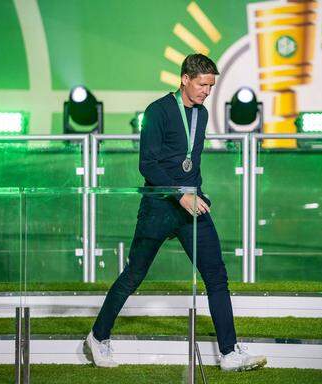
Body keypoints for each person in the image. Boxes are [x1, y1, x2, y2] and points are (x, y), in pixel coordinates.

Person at [85, 53, 267, 372]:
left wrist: (193, 192)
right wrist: (179, 193)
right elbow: (148, 165)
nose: (207, 91)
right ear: (185, 78)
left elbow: (190, 161)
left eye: (211, 86)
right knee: (134, 275)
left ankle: (229, 353)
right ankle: (97, 338)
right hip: (159, 204)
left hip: (191, 203)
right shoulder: (157, 111)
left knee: (216, 275)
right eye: (202, 84)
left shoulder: (203, 114)